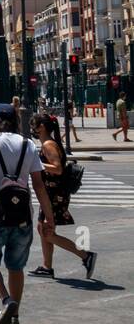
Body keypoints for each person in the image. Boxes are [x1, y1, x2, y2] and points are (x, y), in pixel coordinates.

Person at [0, 104, 54, 324]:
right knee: (16, 267)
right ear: (17, 122)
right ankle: (15, 318)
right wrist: (49, 217)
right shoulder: (28, 145)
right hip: (22, 218)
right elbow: (38, 185)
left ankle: (6, 301)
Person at [30, 113, 98, 280]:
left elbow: (57, 168)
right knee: (42, 228)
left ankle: (85, 256)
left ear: (42, 127)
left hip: (54, 194)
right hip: (51, 192)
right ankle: (47, 266)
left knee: (47, 232)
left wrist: (34, 163)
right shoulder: (50, 143)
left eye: (34, 125)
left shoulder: (48, 145)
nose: (32, 129)